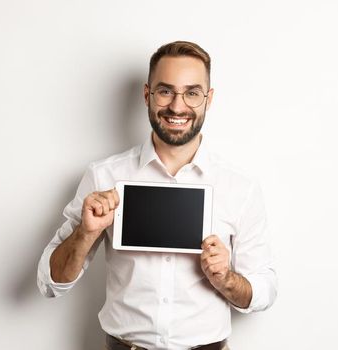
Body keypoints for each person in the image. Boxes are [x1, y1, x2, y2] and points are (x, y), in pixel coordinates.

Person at [37, 40, 277, 350]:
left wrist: (227, 279)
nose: (177, 107)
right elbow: (49, 282)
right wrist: (86, 232)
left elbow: (265, 289)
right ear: (147, 94)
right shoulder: (104, 176)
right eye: (166, 91)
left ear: (208, 99)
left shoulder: (239, 187)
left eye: (192, 93)